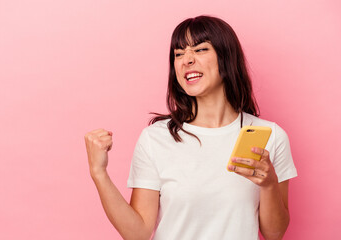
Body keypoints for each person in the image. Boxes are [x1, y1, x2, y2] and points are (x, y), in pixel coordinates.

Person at [84, 15, 297, 240]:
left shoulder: (271, 136)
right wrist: (99, 173)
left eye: (200, 49)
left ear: (226, 58)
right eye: (178, 54)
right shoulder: (155, 139)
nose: (186, 60)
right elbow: (138, 234)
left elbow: (275, 233)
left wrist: (269, 184)